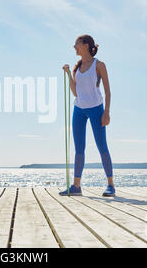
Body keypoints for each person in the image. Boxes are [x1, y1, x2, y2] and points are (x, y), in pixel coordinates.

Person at [61, 35, 115, 197]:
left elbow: (107, 91)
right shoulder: (77, 67)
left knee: (102, 146)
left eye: (76, 44)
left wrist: (106, 112)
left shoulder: (99, 65)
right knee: (79, 149)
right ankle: (76, 186)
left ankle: (111, 185)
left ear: (85, 45)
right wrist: (69, 74)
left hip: (96, 108)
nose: (74, 47)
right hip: (79, 109)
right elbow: (75, 92)